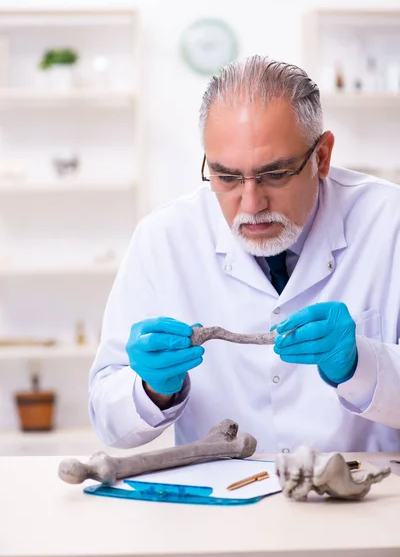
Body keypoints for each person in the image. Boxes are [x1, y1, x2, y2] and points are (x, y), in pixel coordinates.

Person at [89, 55, 400, 454]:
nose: (250, 204)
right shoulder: (163, 239)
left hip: (366, 500)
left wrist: (361, 365)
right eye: (227, 176)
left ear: (321, 157)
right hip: (221, 504)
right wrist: (151, 389)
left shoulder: (389, 223)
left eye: (274, 174)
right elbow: (107, 422)